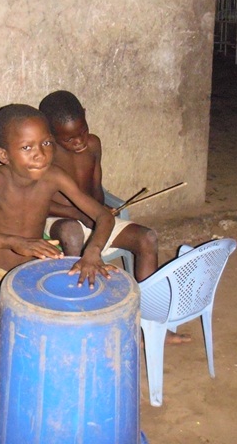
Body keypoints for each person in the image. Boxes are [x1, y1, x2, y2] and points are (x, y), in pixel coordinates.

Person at [0, 103, 117, 444]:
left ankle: (63, 380)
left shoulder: (55, 177)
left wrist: (92, 251)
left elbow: (104, 216)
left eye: (45, 144)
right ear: (4, 154)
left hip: (32, 272)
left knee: (79, 291)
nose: (40, 154)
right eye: (26, 148)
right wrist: (15, 242)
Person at [38, 90, 191, 343]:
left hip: (94, 216)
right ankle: (85, 326)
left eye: (82, 132)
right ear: (51, 134)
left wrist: (103, 211)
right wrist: (80, 214)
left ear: (86, 117)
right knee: (71, 232)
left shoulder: (94, 144)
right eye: (69, 139)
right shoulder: (46, 156)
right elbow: (41, 206)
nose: (79, 142)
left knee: (147, 238)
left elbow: (97, 187)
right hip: (59, 218)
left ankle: (148, 327)